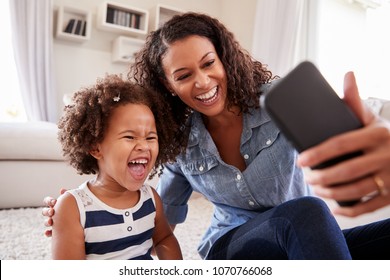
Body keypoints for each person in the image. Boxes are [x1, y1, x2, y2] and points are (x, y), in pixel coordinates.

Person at [44, 13, 390, 259]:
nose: (203, 82)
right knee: (307, 213)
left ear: (223, 59)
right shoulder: (179, 140)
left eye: (209, 64)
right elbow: (157, 216)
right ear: (169, 85)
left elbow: (352, 157)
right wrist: (78, 212)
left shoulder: (279, 101)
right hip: (232, 248)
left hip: (296, 238)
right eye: (184, 75)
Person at [51, 74, 182, 260]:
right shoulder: (73, 207)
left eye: (151, 137)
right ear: (95, 147)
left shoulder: (151, 199)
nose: (144, 146)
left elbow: (164, 239)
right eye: (130, 137)